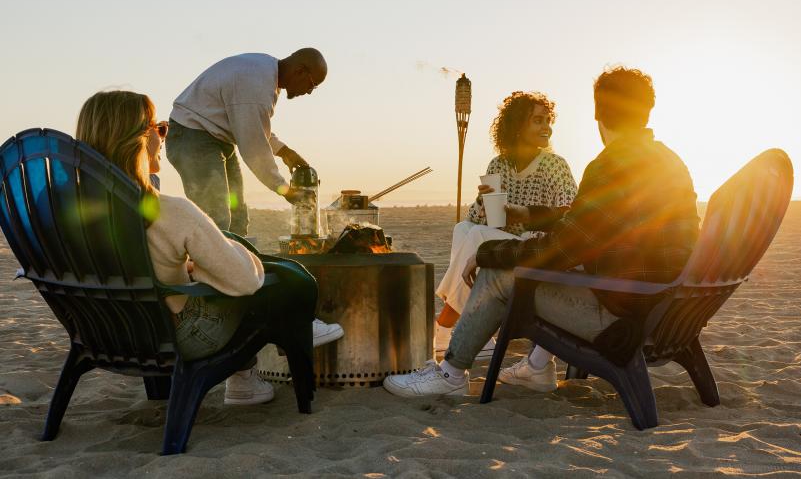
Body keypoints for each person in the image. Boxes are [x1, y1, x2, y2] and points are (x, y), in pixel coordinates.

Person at [384, 67, 700, 398]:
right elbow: (591, 228)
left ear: (598, 112)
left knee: (497, 273)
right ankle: (534, 366)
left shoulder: (611, 165)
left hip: (621, 319)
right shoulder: (670, 162)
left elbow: (564, 248)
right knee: (495, 251)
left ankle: (450, 374)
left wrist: (489, 254)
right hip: (667, 312)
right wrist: (529, 217)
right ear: (647, 108)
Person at [75, 90, 334, 406]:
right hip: (176, 337)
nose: (164, 136)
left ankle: (237, 381)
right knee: (277, 284)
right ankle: (254, 377)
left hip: (103, 334)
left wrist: (181, 267)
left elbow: (125, 265)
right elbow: (244, 280)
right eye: (158, 128)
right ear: (136, 141)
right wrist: (209, 265)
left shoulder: (71, 213)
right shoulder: (170, 211)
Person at [434, 92, 577, 377]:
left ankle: (446, 323)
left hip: (536, 246)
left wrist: (525, 214)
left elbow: (569, 214)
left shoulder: (555, 165)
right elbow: (487, 222)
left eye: (548, 120)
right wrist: (482, 201)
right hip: (504, 241)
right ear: (517, 126)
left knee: (475, 236)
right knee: (464, 229)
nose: (546, 127)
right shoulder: (498, 165)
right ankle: (466, 329)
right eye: (538, 120)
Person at [165, 48, 326, 237]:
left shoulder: (266, 72)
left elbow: (253, 127)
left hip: (217, 139)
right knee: (216, 218)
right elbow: (254, 149)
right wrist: (285, 190)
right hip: (192, 137)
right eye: (312, 85)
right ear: (300, 71)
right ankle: (205, 257)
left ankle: (233, 257)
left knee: (238, 218)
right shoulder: (256, 85)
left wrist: (285, 152)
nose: (309, 92)